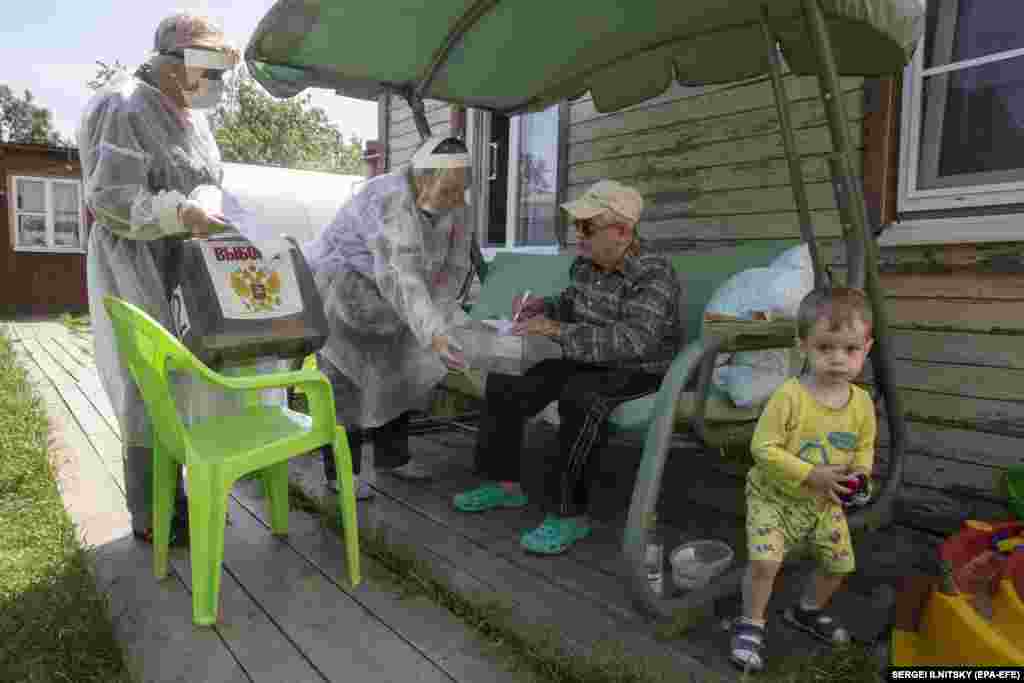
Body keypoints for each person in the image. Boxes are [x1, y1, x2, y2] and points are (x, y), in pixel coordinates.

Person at [451, 180, 684, 555]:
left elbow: (634, 341)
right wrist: (543, 307)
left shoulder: (653, 273)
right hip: (588, 359)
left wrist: (557, 329)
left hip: (641, 368)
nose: (578, 235)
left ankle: (569, 513)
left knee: (581, 398)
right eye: (577, 226)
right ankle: (504, 483)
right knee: (508, 377)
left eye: (586, 227)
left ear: (622, 232)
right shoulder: (587, 264)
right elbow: (572, 303)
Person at [77, 12, 240, 545]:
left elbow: (205, 179)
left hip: (183, 263)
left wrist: (206, 215)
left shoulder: (190, 115)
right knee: (149, 385)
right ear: (171, 63)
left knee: (182, 379)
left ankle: (181, 497)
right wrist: (181, 215)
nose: (215, 83)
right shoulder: (123, 104)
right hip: (137, 261)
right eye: (208, 69)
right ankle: (154, 516)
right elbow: (111, 199)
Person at [303, 136, 474, 500]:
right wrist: (434, 333)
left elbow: (455, 267)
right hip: (346, 291)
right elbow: (401, 275)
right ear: (421, 177)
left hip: (397, 301)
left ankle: (393, 459)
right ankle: (342, 474)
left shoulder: (456, 203)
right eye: (448, 190)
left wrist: (440, 319)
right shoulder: (389, 199)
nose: (456, 200)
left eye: (462, 189)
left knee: (397, 373)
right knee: (344, 383)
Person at [729, 287, 877, 672]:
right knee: (765, 562)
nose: (838, 360)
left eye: (850, 349)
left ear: (867, 348)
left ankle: (805, 610)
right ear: (803, 347)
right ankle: (751, 622)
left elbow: (864, 447)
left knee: (840, 564)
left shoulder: (861, 404)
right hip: (774, 497)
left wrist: (861, 474)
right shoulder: (789, 396)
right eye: (825, 347)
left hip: (824, 502)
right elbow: (763, 448)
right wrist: (810, 473)